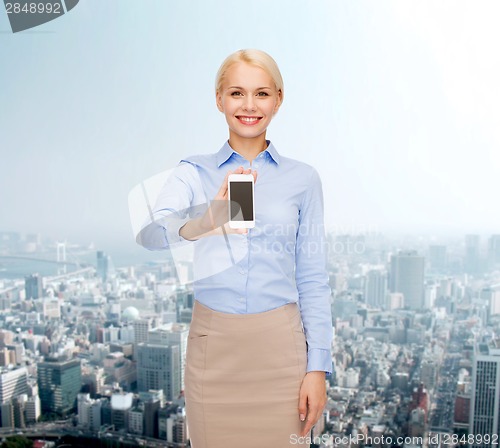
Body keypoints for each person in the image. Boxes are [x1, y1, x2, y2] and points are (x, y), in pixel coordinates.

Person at [136, 49, 333, 448]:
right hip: (215, 349)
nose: (248, 105)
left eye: (261, 93)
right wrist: (206, 221)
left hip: (282, 350)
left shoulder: (303, 179)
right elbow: (151, 234)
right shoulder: (193, 171)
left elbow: (312, 278)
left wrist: (318, 368)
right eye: (236, 93)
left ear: (279, 99)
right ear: (219, 99)